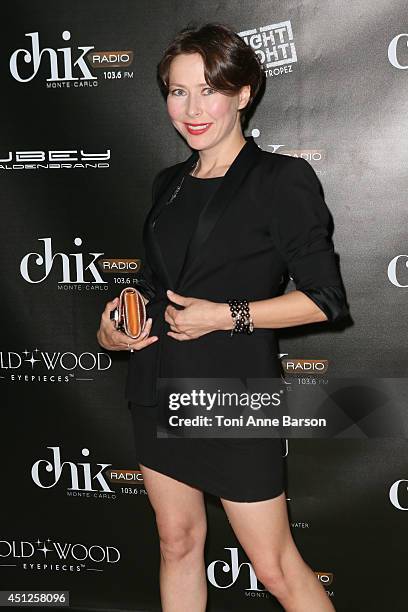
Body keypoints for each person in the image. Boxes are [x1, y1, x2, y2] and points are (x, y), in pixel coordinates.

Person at [97, 22, 348, 612]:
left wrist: (224, 316)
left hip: (232, 392)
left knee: (276, 566)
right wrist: (116, 329)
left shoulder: (281, 179)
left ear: (244, 93)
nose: (191, 107)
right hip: (157, 382)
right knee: (175, 542)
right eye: (177, 91)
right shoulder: (170, 184)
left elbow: (325, 298)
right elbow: (160, 287)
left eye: (209, 89)